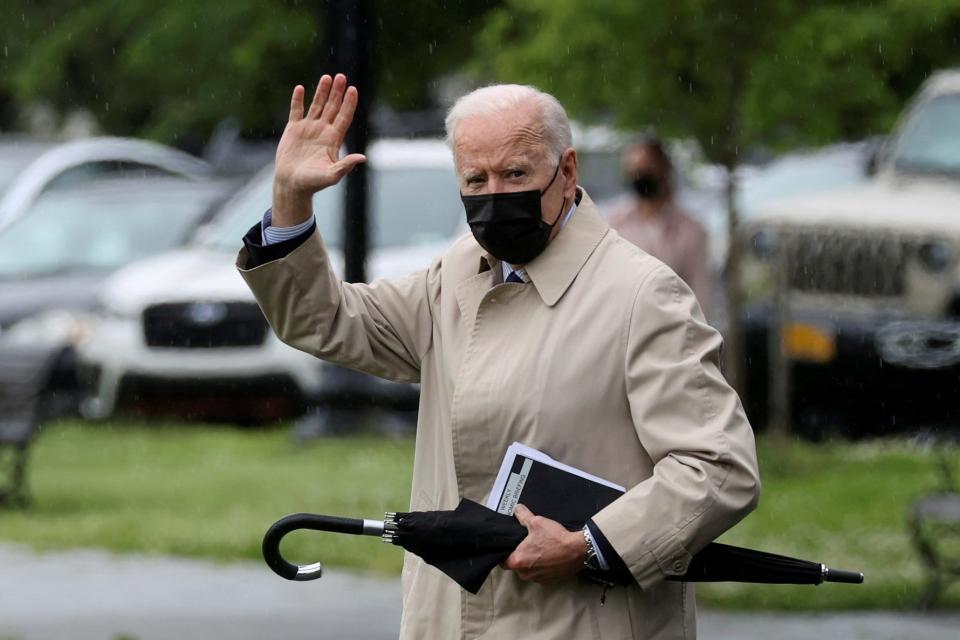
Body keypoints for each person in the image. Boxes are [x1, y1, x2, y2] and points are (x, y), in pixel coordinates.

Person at [237, 74, 760, 639]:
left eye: (515, 172)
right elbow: (327, 321)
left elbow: (718, 467)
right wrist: (291, 199)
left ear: (567, 171)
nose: (494, 193)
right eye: (475, 178)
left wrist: (590, 545)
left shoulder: (642, 295)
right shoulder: (455, 274)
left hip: (583, 623)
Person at [607, 137, 713, 318]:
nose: (639, 175)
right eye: (633, 170)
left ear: (663, 170)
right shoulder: (614, 225)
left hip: (674, 332)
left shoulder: (691, 230)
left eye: (646, 168)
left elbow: (700, 293)